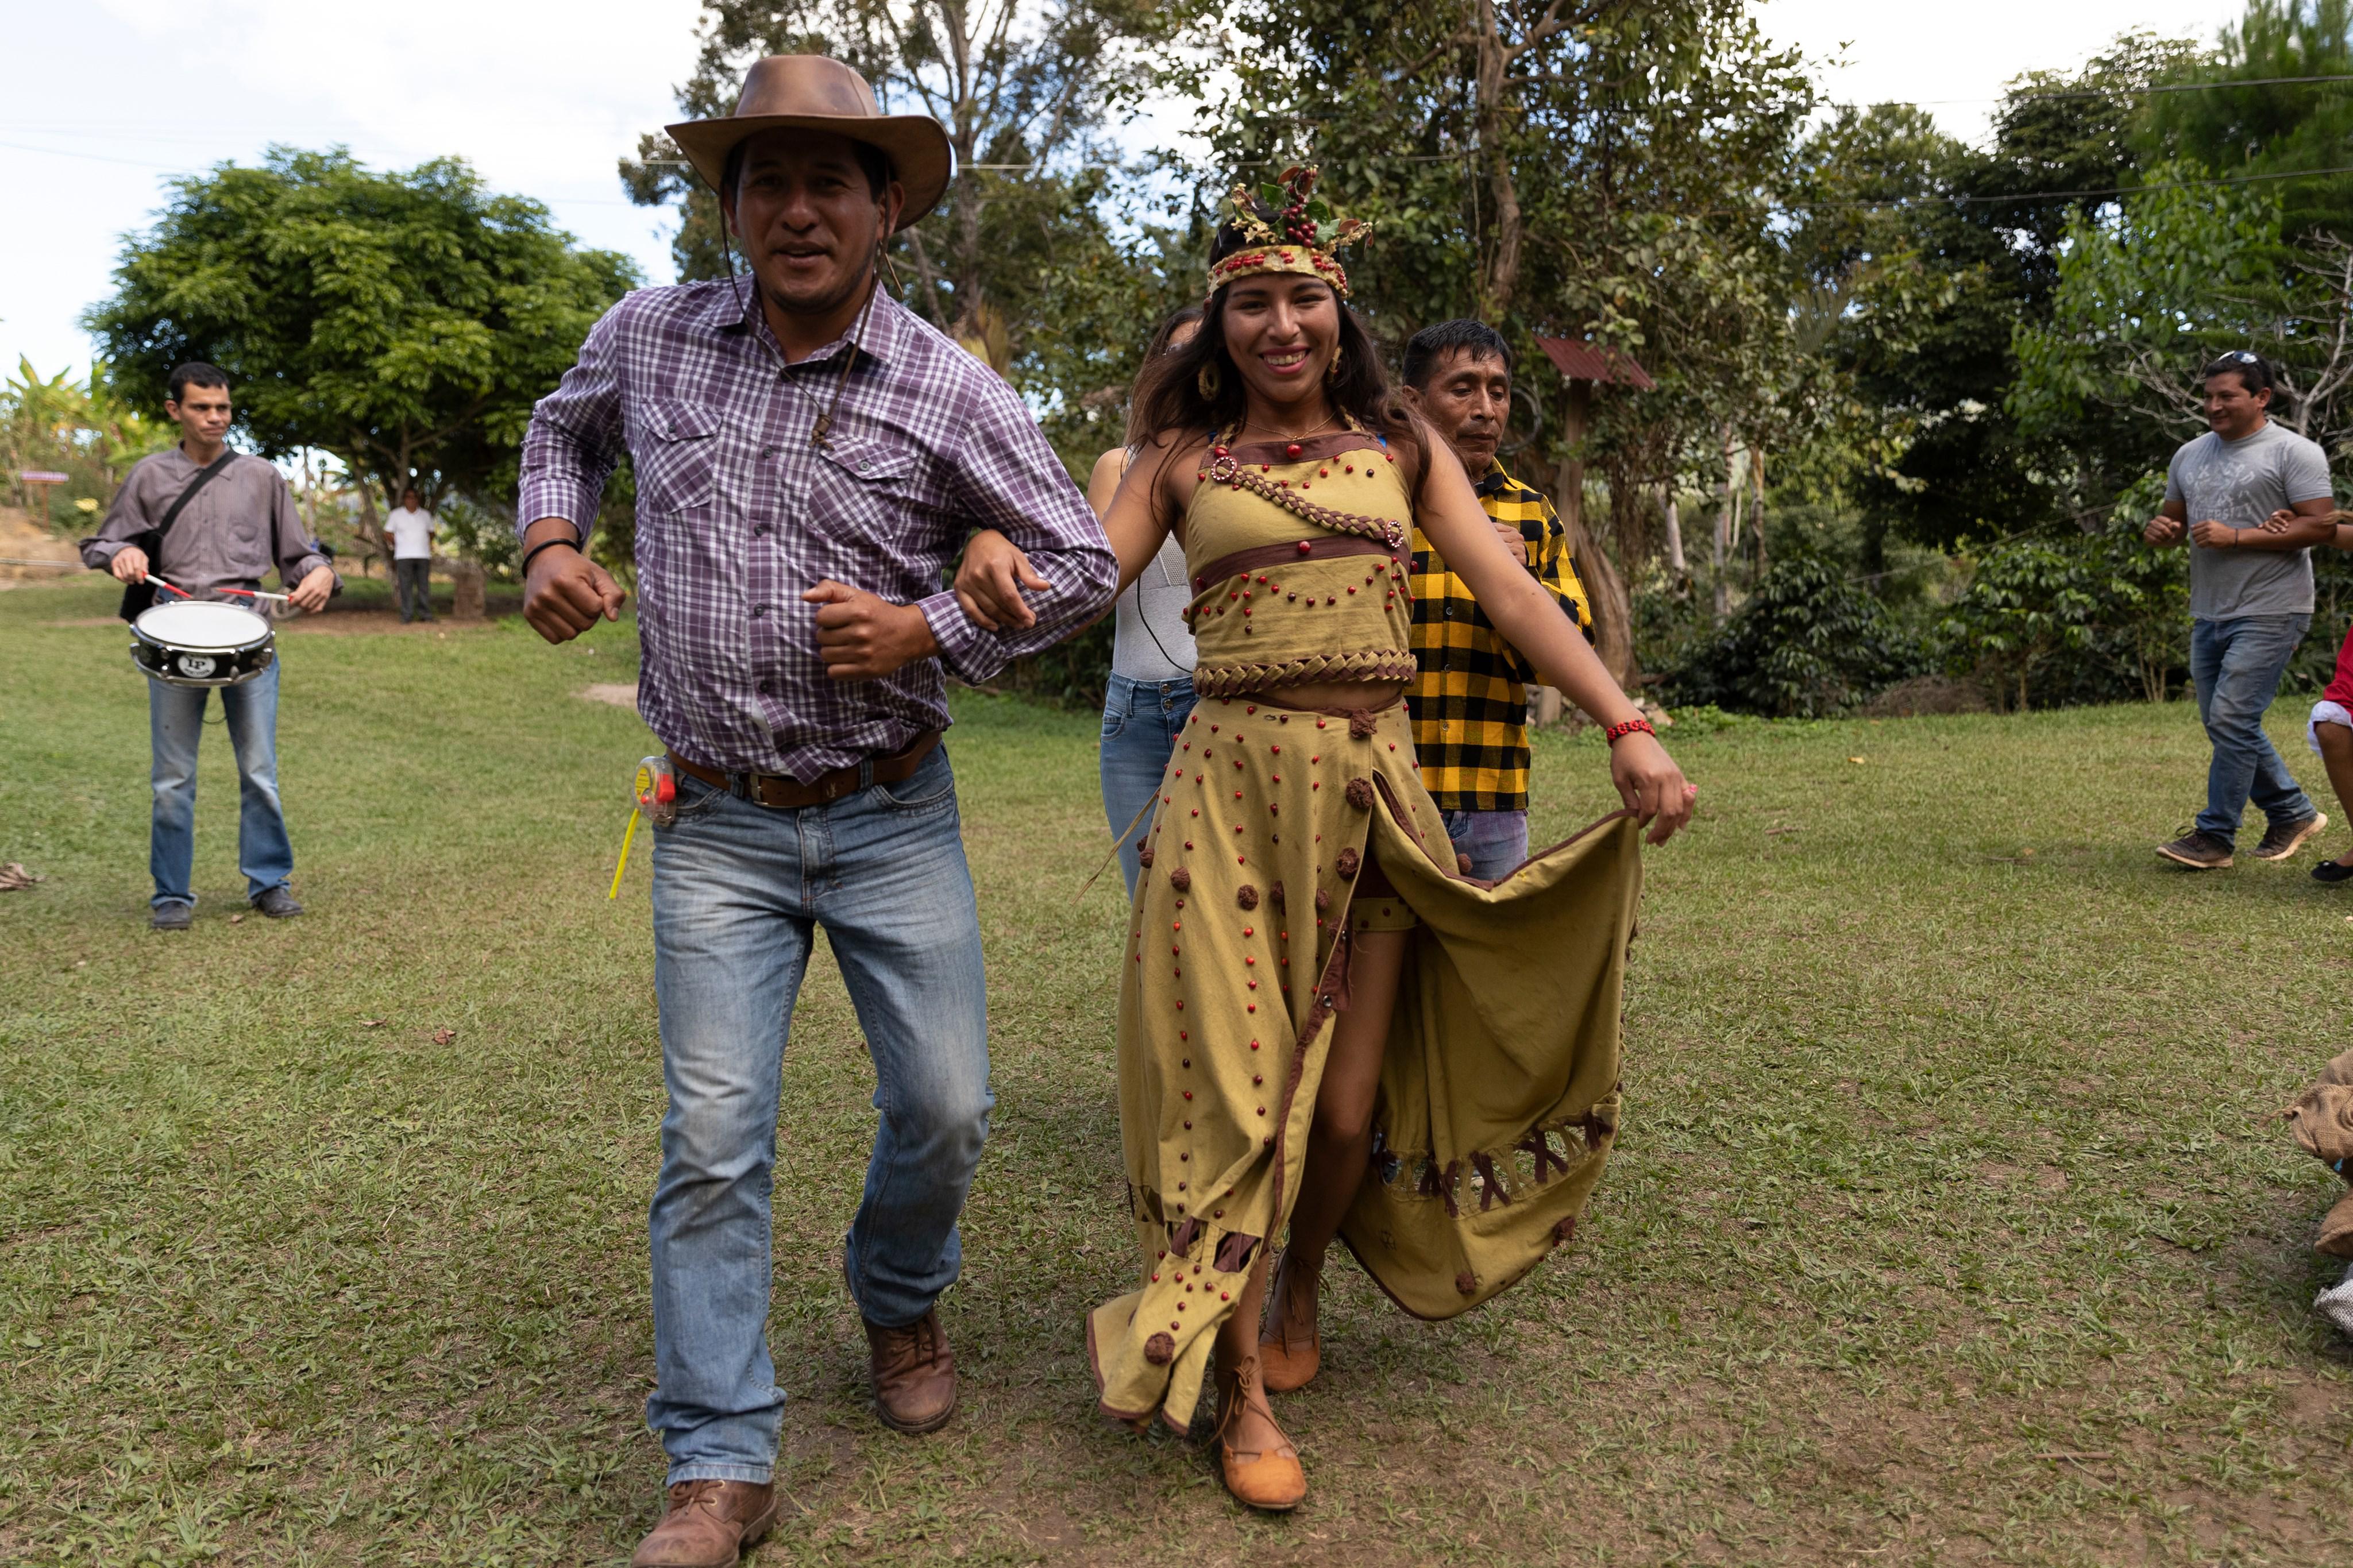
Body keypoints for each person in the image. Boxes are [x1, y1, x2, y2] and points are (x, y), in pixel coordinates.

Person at [954, 165, 1694, 1512]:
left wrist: (1623, 722)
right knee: (1242, 1105)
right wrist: (986, 574)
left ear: (1337, 315)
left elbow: (1511, 593)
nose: (1280, 325)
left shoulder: (1399, 444)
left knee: (1344, 1110)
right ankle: (1238, 1390)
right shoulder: (1182, 460)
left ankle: (1300, 1282)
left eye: (1303, 299)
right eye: (1252, 303)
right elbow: (1077, 585)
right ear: (1218, 322)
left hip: (1375, 796)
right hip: (1228, 800)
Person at [512, 55, 1116, 1568]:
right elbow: (561, 429)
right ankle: (719, 1463)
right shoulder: (648, 336)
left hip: (891, 811)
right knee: (714, 1136)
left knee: (947, 1107)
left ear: (885, 209)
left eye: (828, 183)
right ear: (727, 206)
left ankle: (897, 1296)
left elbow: (1081, 560)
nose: (797, 210)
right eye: (766, 181)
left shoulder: (945, 386)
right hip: (713, 818)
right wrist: (547, 542)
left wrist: (933, 629)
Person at [80, 362, 336, 930]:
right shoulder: (149, 476)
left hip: (248, 634)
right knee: (173, 778)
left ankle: (269, 883)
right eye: (201, 407)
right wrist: (120, 554)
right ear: (175, 410)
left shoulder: (262, 477)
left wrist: (321, 573)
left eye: (222, 407)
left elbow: (299, 555)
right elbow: (100, 542)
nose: (215, 418)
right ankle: (171, 894)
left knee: (260, 770)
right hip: (173, 635)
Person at [959, 307, 1205, 897]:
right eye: (1177, 351)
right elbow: (1086, 586)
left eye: (1206, 350)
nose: (1192, 364)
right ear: (1157, 367)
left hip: (1221, 701)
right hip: (1135, 713)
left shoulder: (1258, 469)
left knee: (1226, 899)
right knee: (1149, 900)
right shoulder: (1120, 467)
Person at [1396, 319, 1594, 879]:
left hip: (1493, 802)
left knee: (1491, 937)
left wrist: (1520, 579)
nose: (1486, 410)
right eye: (1463, 389)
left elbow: (1573, 654)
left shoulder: (1531, 514)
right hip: (1387, 791)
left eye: (1499, 392)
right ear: (1412, 402)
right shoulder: (1378, 506)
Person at [2143, 351, 2337, 870]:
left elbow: (2322, 526)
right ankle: (2292, 812)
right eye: (2209, 396)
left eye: (2227, 396)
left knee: (2232, 717)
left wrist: (2238, 537)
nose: (2214, 406)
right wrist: (2161, 533)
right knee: (2225, 723)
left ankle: (2215, 836)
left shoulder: (2294, 452)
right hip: (2210, 608)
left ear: (2262, 397)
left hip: (2274, 606)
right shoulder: (2189, 454)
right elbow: (2173, 523)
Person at [384, 486, 437, 623]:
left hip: (423, 556)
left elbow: (432, 533)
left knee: (424, 586)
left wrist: (424, 543)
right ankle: (407, 615)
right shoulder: (396, 515)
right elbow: (388, 533)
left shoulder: (425, 515)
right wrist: (398, 543)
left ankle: (425, 614)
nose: (411, 500)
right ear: (404, 499)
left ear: (418, 500)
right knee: (405, 586)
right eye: (409, 497)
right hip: (403, 556)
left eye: (414, 497)